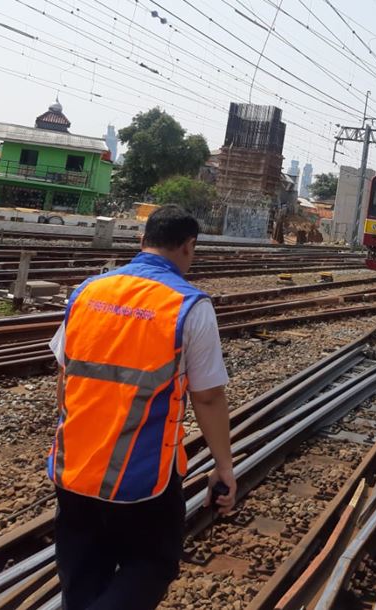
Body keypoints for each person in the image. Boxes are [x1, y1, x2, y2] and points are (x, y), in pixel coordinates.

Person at [47, 205, 237, 610]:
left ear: (141, 240)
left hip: (75, 464)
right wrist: (224, 466)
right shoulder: (189, 306)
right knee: (151, 563)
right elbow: (207, 397)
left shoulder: (88, 291)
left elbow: (65, 374)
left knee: (81, 573)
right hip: (142, 474)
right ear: (189, 246)